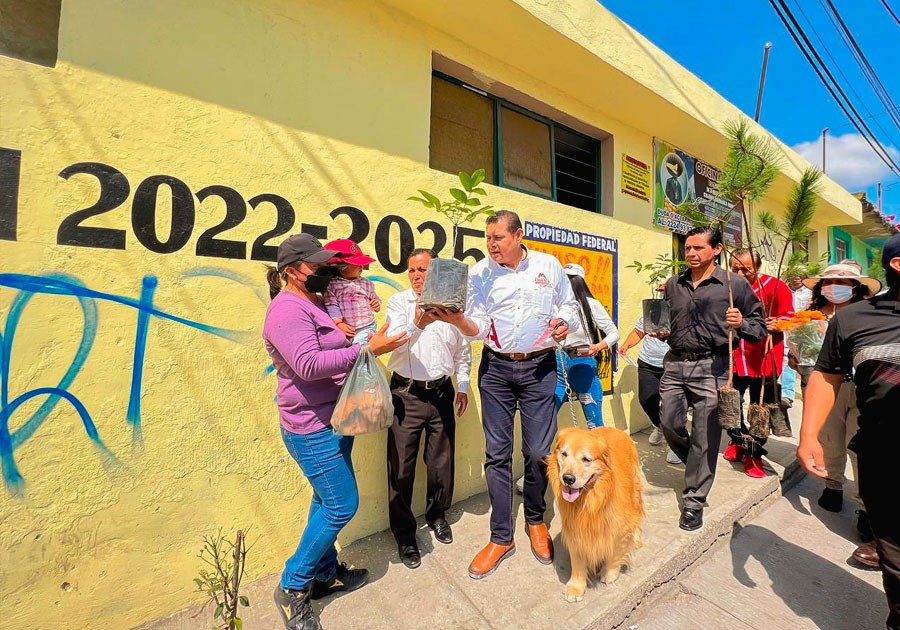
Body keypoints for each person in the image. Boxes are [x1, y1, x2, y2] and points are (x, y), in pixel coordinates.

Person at [264, 234, 408, 630]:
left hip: (336, 418)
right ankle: (293, 586)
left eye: (327, 263)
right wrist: (367, 349)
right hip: (310, 428)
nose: (326, 271)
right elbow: (308, 365)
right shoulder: (286, 310)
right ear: (292, 272)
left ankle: (324, 575)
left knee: (324, 499)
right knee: (342, 504)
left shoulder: (313, 301)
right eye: (316, 266)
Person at [448, 210, 579, 579]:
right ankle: (501, 535)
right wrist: (458, 321)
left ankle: (535, 520)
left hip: (540, 368)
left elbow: (567, 304)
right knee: (497, 455)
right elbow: (475, 327)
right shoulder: (479, 273)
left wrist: (562, 321)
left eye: (498, 238)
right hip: (497, 371)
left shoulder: (548, 266)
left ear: (518, 235)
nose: (491, 245)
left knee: (539, 452)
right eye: (488, 238)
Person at [798, 233, 900, 629]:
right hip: (883, 452)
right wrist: (807, 435)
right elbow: (825, 373)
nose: (832, 287)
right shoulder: (851, 319)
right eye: (827, 282)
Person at [654, 227, 766, 532]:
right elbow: (667, 321)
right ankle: (697, 461)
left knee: (705, 435)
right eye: (687, 248)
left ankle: (694, 501)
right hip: (675, 362)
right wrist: (663, 331)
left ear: (716, 249)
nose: (690, 253)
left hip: (713, 366)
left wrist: (742, 322)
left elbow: (760, 327)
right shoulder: (674, 285)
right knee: (668, 420)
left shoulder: (735, 285)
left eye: (698, 248)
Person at [384, 249, 472, 569]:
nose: (417, 276)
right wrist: (421, 318)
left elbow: (463, 349)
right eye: (412, 271)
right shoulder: (399, 304)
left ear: (435, 272)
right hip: (406, 394)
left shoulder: (453, 308)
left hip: (441, 393)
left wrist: (462, 385)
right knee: (401, 468)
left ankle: (437, 515)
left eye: (423, 270)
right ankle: (405, 535)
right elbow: (396, 344)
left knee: (441, 464)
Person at [795, 264, 881, 541]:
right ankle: (832, 485)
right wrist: (799, 355)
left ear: (856, 287)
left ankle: (865, 506)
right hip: (825, 388)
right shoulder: (811, 317)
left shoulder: (871, 315)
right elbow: (802, 352)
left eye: (841, 281)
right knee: (829, 439)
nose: (834, 286)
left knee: (860, 446)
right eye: (828, 281)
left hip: (863, 389)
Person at [724, 248, 794, 478]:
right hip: (734, 357)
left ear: (758, 267)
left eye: (746, 269)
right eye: (735, 269)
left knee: (760, 410)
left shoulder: (775, 287)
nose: (741, 273)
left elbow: (790, 317)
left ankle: (753, 456)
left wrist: (778, 323)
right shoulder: (726, 287)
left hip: (764, 358)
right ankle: (738, 441)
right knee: (729, 408)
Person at [555, 262, 619, 428]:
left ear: (578, 282)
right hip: (556, 364)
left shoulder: (591, 304)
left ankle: (601, 453)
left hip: (582, 363)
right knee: (545, 420)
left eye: (569, 280)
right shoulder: (554, 304)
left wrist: (597, 347)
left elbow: (614, 333)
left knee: (594, 423)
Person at [618, 314, 671, 448]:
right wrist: (626, 345)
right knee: (646, 400)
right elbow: (638, 332)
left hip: (673, 365)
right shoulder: (653, 311)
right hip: (647, 363)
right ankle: (660, 426)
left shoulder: (682, 312)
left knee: (672, 404)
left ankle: (676, 444)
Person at [323, 238, 381, 344]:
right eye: (357, 263)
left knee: (359, 348)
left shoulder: (367, 283)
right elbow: (331, 305)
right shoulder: (332, 285)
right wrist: (338, 323)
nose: (361, 266)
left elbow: (374, 297)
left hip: (366, 325)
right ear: (341, 267)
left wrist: (377, 303)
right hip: (345, 328)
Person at [780, 271, 813, 407]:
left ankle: (810, 392)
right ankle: (787, 394)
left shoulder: (810, 293)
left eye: (800, 275)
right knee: (787, 359)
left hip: (805, 332)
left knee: (805, 362)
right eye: (794, 275)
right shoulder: (783, 290)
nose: (797, 277)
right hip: (786, 330)